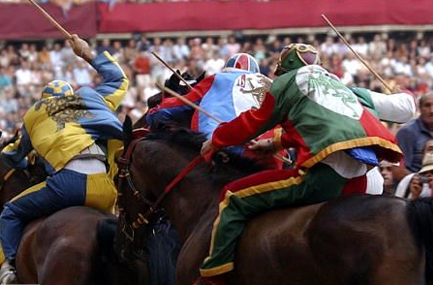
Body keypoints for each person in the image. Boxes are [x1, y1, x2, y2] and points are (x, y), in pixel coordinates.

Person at [194, 43, 416, 285]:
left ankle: (214, 275)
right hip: (360, 179)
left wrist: (217, 139)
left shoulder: (285, 83)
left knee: (232, 197)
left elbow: (254, 121)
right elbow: (402, 109)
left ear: (284, 70)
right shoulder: (340, 86)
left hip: (326, 177)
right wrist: (275, 144)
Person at [0, 35, 128, 284]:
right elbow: (119, 79)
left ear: (44, 99)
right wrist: (88, 53)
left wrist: (27, 164)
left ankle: (9, 271)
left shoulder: (35, 114)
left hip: (68, 185)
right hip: (107, 189)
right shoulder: (88, 98)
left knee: (10, 212)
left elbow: (11, 155)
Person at [147, 53, 284, 168]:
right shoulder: (273, 85)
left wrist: (154, 112)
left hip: (220, 150)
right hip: (273, 155)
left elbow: (171, 109)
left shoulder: (218, 78)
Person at [396, 91, 433, 172]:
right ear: (420, 108)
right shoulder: (407, 132)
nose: (432, 110)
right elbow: (398, 169)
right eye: (427, 105)